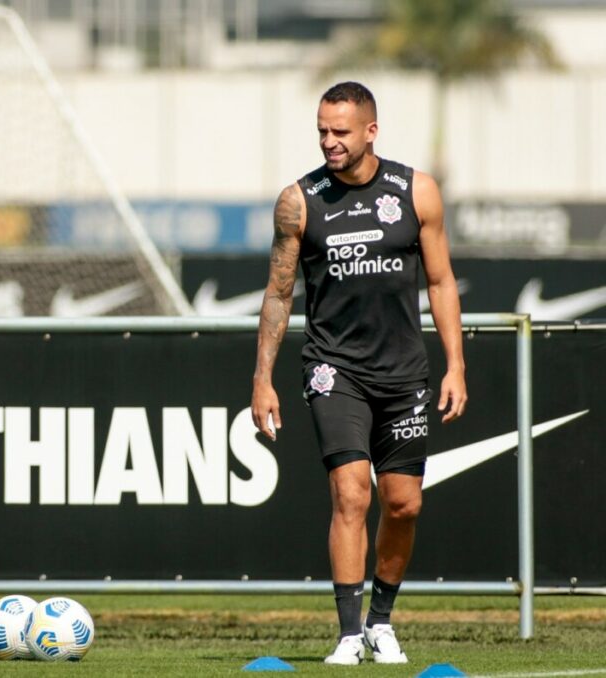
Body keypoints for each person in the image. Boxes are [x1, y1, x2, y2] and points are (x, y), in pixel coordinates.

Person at [250, 81, 467, 665]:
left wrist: (456, 366)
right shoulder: (299, 200)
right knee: (351, 495)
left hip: (404, 374)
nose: (329, 141)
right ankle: (348, 633)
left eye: (340, 131)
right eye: (322, 130)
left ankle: (380, 621)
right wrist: (262, 378)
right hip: (332, 368)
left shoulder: (416, 191)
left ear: (371, 130)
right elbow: (277, 292)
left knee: (403, 505)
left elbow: (442, 282)